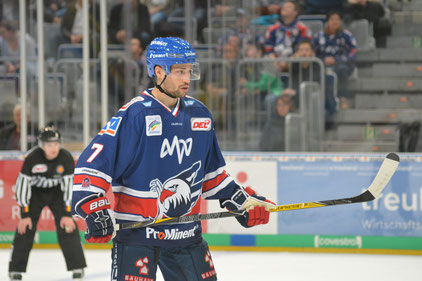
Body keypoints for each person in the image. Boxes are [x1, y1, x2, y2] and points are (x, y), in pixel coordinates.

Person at [71, 37, 276, 281]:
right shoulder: (135, 115)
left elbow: (212, 175)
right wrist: (92, 207)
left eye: (189, 71)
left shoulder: (199, 114)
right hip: (138, 237)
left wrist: (241, 200)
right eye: (179, 71)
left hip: (186, 235)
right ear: (158, 71)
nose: (187, 79)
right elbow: (91, 165)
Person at [8, 127, 87, 281]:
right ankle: (15, 269)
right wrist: (24, 214)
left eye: (56, 144)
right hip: (35, 194)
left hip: (58, 194)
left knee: (68, 226)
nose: (53, 148)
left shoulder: (66, 158)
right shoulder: (32, 158)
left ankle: (77, 267)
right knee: (25, 228)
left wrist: (67, 213)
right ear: (42, 145)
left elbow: (69, 187)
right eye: (49, 145)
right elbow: (22, 185)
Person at [313, 11, 356, 109]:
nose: (335, 22)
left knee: (342, 69)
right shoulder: (318, 36)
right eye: (332, 19)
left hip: (340, 64)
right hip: (322, 64)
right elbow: (312, 52)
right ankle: (321, 101)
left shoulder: (346, 36)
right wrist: (323, 60)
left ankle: (343, 98)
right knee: (317, 70)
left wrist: (337, 59)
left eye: (337, 19)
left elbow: (353, 52)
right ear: (327, 21)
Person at [265, 0, 312, 72]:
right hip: (276, 61)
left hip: (295, 61)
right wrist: (275, 61)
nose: (284, 8)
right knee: (266, 60)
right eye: (283, 6)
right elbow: (268, 48)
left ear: (295, 12)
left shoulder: (303, 29)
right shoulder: (273, 28)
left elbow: (305, 48)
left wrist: (288, 61)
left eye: (289, 7)